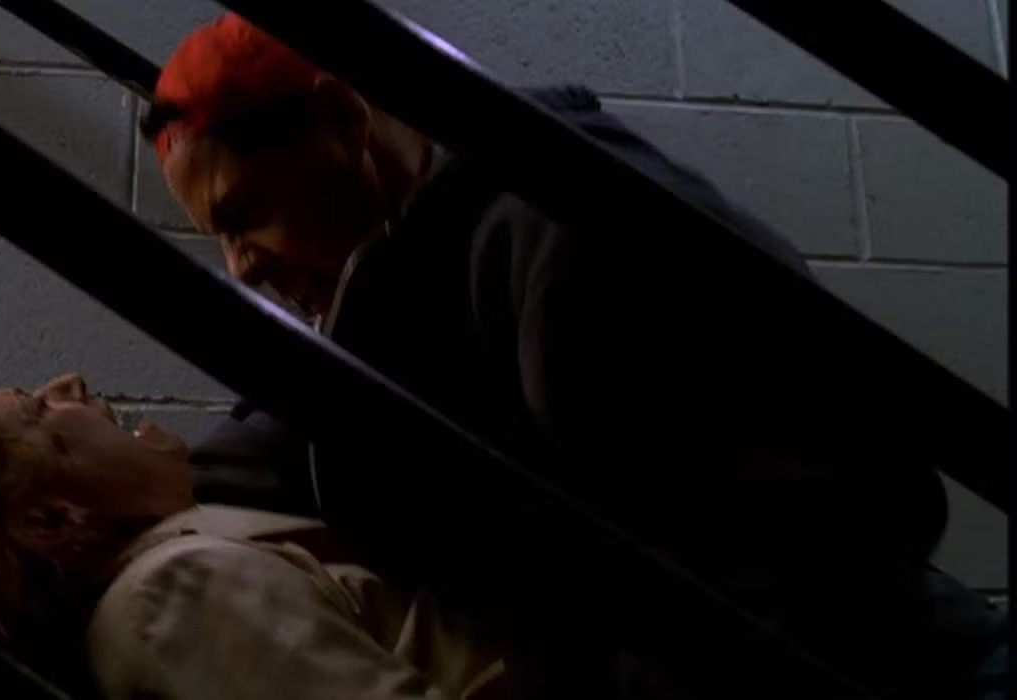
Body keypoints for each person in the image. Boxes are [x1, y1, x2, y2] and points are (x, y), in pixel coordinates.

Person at [142, 12, 1008, 699]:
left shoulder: (565, 225)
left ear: (343, 118)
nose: (240, 268)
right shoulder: (396, 283)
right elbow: (270, 443)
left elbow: (811, 525)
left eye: (241, 215)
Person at [0, 373, 509, 700]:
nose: (69, 384)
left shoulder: (177, 570)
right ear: (49, 519)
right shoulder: (171, 597)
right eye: (35, 407)